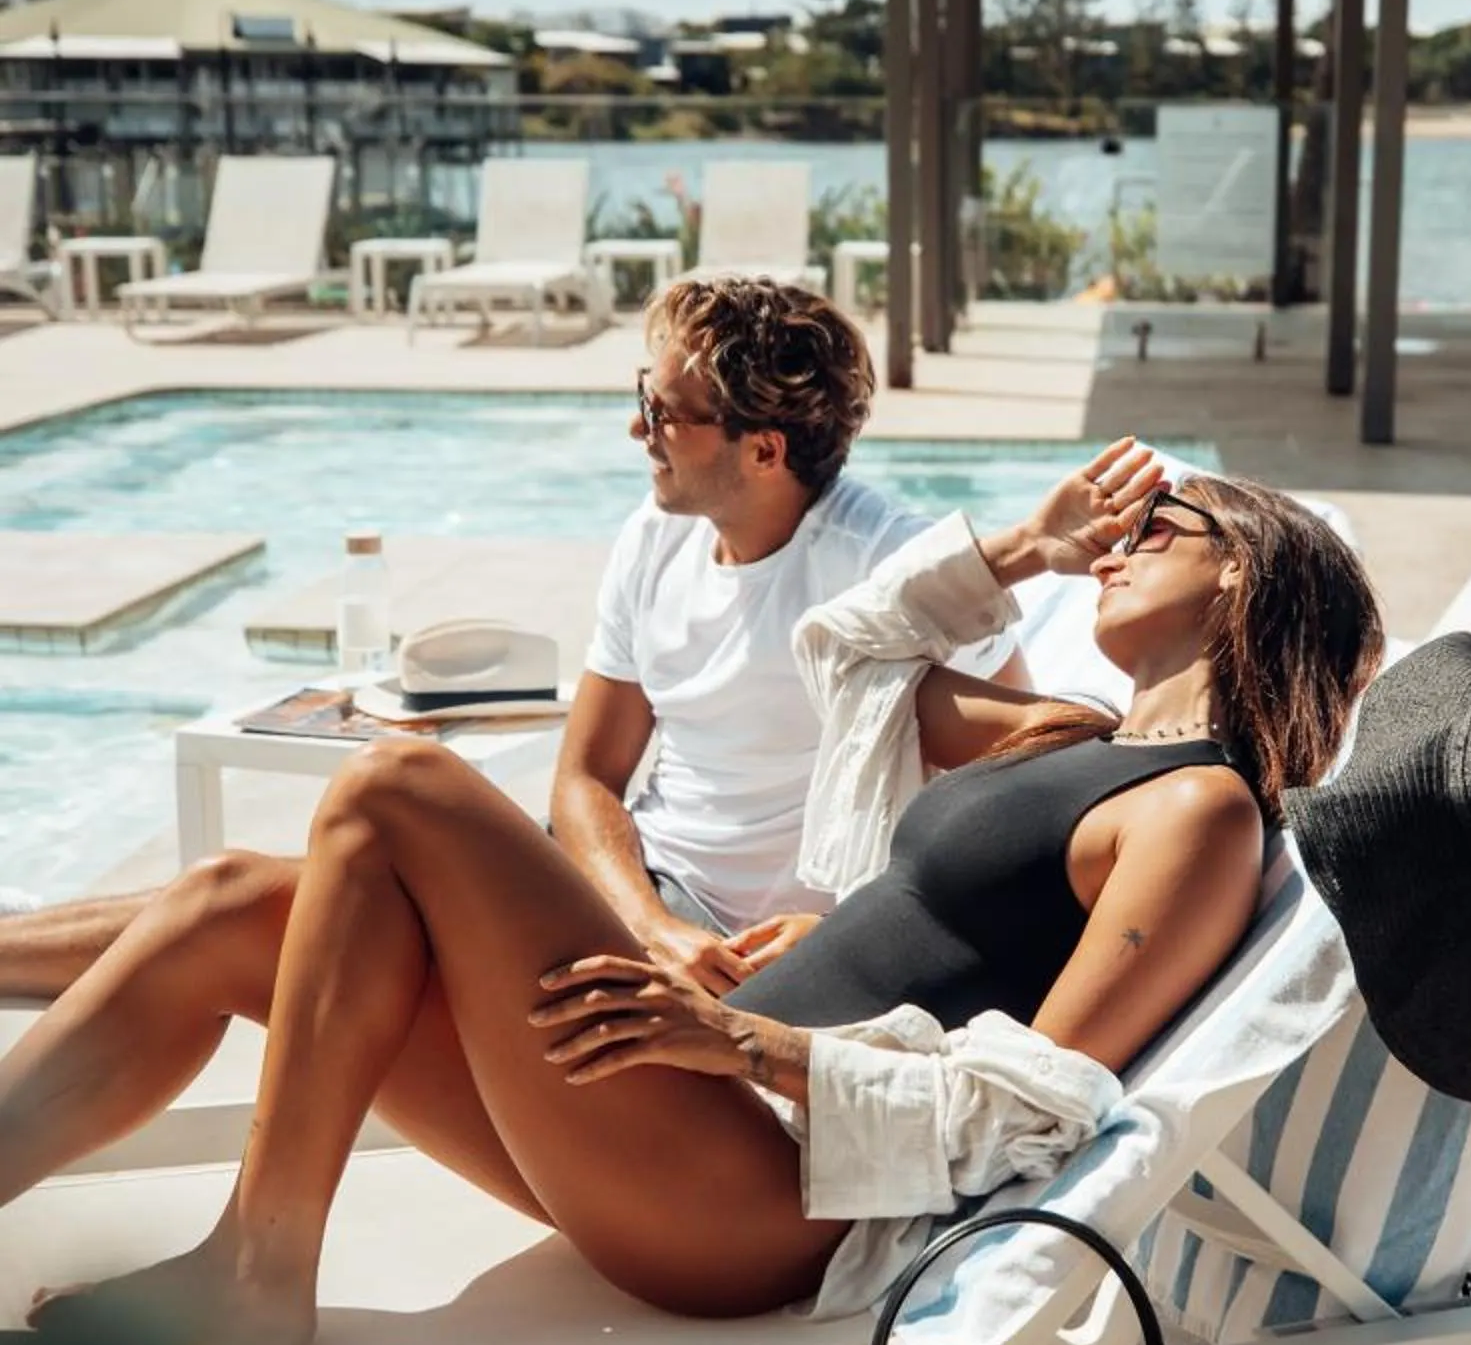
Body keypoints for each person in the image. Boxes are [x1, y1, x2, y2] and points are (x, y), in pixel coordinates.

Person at [5, 445, 1384, 1345]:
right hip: (664, 1106)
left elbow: (1041, 1106)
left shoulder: (1195, 806)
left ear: (1247, 569)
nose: (1120, 537)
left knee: (397, 786)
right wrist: (1021, 549)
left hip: (757, 1189)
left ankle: (259, 1273)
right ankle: (214, 1250)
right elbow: (843, 647)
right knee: (244, 900)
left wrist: (755, 1046)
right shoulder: (1076, 738)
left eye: (1160, 522)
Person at [0, 270, 1020, 1046]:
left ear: (764, 450)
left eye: (663, 412)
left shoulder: (894, 566)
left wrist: (850, 940)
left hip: (771, 967)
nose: (637, 430)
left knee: (283, 917)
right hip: (645, 901)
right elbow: (586, 777)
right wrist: (645, 920)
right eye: (640, 396)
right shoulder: (654, 537)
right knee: (253, 892)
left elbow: (1015, 807)